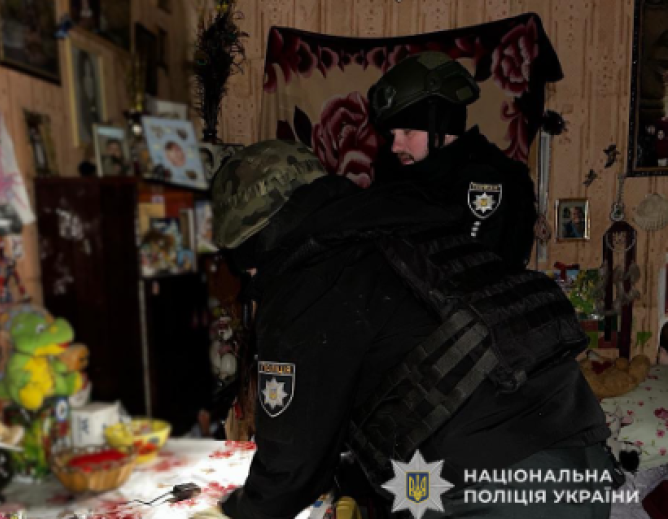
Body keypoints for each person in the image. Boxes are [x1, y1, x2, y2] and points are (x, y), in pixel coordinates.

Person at [212, 140, 616, 518]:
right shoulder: (402, 227)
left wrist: (233, 510)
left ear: (255, 242)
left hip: (500, 487)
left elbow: (292, 465)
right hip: (582, 458)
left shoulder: (305, 281)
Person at [367, 51, 538, 271]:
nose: (395, 146)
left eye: (407, 132)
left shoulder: (485, 181)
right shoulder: (396, 175)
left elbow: (476, 273)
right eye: (392, 135)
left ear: (442, 127)